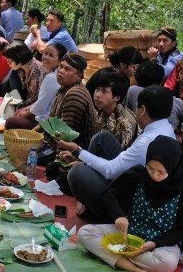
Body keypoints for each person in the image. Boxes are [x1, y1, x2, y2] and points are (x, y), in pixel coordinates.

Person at [78, 136, 183, 272]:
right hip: (130, 234)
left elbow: (182, 231)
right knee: (85, 233)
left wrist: (154, 243)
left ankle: (117, 255)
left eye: (161, 172)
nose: (154, 175)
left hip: (162, 242)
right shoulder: (139, 175)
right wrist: (119, 215)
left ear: (173, 167)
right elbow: (109, 194)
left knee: (168, 264)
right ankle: (137, 270)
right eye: (151, 168)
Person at [59, 85, 175, 220]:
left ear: (142, 110)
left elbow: (111, 170)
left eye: (104, 91)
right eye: (98, 90)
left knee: (77, 173)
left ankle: (104, 214)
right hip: (132, 178)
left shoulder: (147, 141)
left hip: (132, 199)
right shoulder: (166, 126)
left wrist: (77, 151)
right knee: (102, 138)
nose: (98, 95)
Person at [4, 43, 65, 130]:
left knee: (11, 121)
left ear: (60, 61)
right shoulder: (51, 74)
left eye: (51, 55)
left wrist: (24, 113)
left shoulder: (50, 77)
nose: (46, 57)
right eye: (45, 53)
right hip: (38, 112)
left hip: (44, 122)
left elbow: (39, 107)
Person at [47, 53, 98, 149]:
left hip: (72, 155)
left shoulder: (75, 94)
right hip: (57, 143)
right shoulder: (65, 88)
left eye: (67, 69)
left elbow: (64, 136)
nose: (60, 71)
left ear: (79, 75)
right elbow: (51, 122)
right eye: (61, 67)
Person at [125, 60, 183, 130]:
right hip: (169, 137)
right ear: (161, 80)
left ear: (137, 77)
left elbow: (126, 113)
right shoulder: (176, 102)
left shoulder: (132, 91)